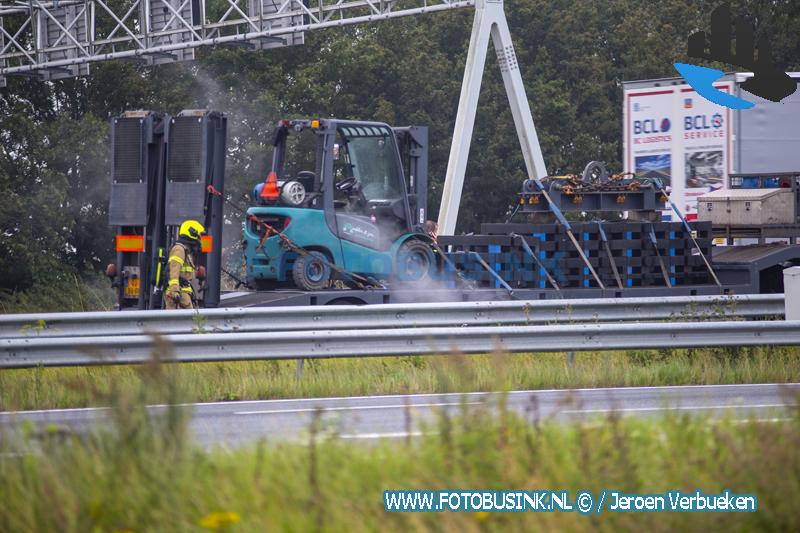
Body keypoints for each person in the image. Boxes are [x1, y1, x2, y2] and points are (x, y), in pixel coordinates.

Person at [165, 219, 205, 309]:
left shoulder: (186, 251)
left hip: (184, 293)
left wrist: (197, 273)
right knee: (187, 321)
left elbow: (184, 273)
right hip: (178, 295)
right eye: (198, 235)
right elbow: (174, 271)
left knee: (191, 321)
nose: (200, 238)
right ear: (192, 233)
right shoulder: (179, 249)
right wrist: (175, 291)